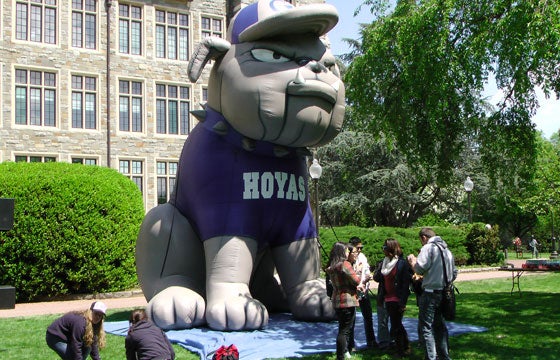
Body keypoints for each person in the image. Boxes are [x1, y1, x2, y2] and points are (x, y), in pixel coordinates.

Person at [407, 228, 457, 360]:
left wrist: (412, 262)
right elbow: (454, 272)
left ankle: (431, 357)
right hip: (445, 292)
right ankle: (444, 356)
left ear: (424, 237)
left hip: (430, 293)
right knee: (440, 326)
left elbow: (419, 268)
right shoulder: (447, 250)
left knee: (426, 327)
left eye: (421, 240)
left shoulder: (428, 248)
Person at [373, 238, 411, 357]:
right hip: (386, 297)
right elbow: (377, 278)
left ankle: (401, 350)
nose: (383, 250)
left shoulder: (401, 263)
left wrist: (402, 302)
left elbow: (405, 284)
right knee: (396, 324)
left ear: (390, 249)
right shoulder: (383, 263)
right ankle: (404, 346)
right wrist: (379, 268)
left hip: (397, 298)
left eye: (384, 248)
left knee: (396, 324)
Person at [326, 242, 364, 360]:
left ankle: (341, 354)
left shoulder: (332, 266)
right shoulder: (345, 264)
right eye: (347, 251)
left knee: (342, 328)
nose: (348, 253)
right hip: (347, 300)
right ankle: (341, 355)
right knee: (345, 330)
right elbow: (356, 280)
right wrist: (358, 271)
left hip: (337, 300)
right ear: (342, 252)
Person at [348, 237, 377, 348]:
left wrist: (365, 283)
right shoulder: (347, 259)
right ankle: (350, 344)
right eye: (358, 248)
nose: (359, 250)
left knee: (368, 317)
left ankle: (371, 340)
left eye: (361, 248)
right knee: (352, 319)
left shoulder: (363, 257)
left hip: (364, 292)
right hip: (352, 293)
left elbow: (366, 272)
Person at [373, 259, 392, 350]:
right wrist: (382, 267)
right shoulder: (381, 262)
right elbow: (376, 278)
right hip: (383, 296)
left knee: (395, 320)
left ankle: (395, 340)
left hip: (395, 296)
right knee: (382, 321)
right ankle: (384, 342)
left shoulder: (400, 263)